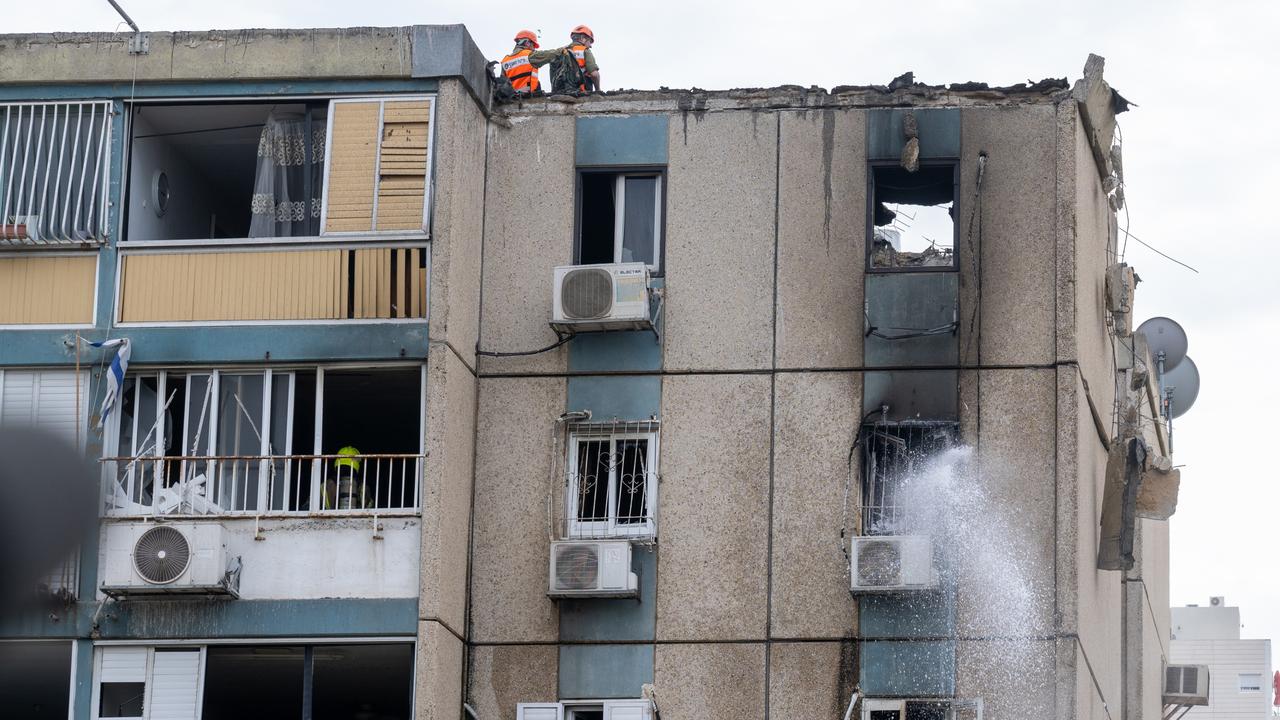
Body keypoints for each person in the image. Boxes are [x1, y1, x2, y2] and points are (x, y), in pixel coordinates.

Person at [500, 30, 545, 96]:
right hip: (529, 96)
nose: (534, 49)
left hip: (512, 97)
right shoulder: (529, 55)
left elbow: (502, 83)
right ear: (527, 43)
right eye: (533, 45)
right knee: (537, 84)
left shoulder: (505, 60)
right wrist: (560, 51)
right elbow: (548, 55)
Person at [566, 25, 601, 93]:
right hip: (581, 91)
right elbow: (594, 74)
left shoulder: (561, 51)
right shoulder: (584, 50)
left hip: (562, 91)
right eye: (590, 41)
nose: (590, 45)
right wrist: (598, 90)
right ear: (583, 38)